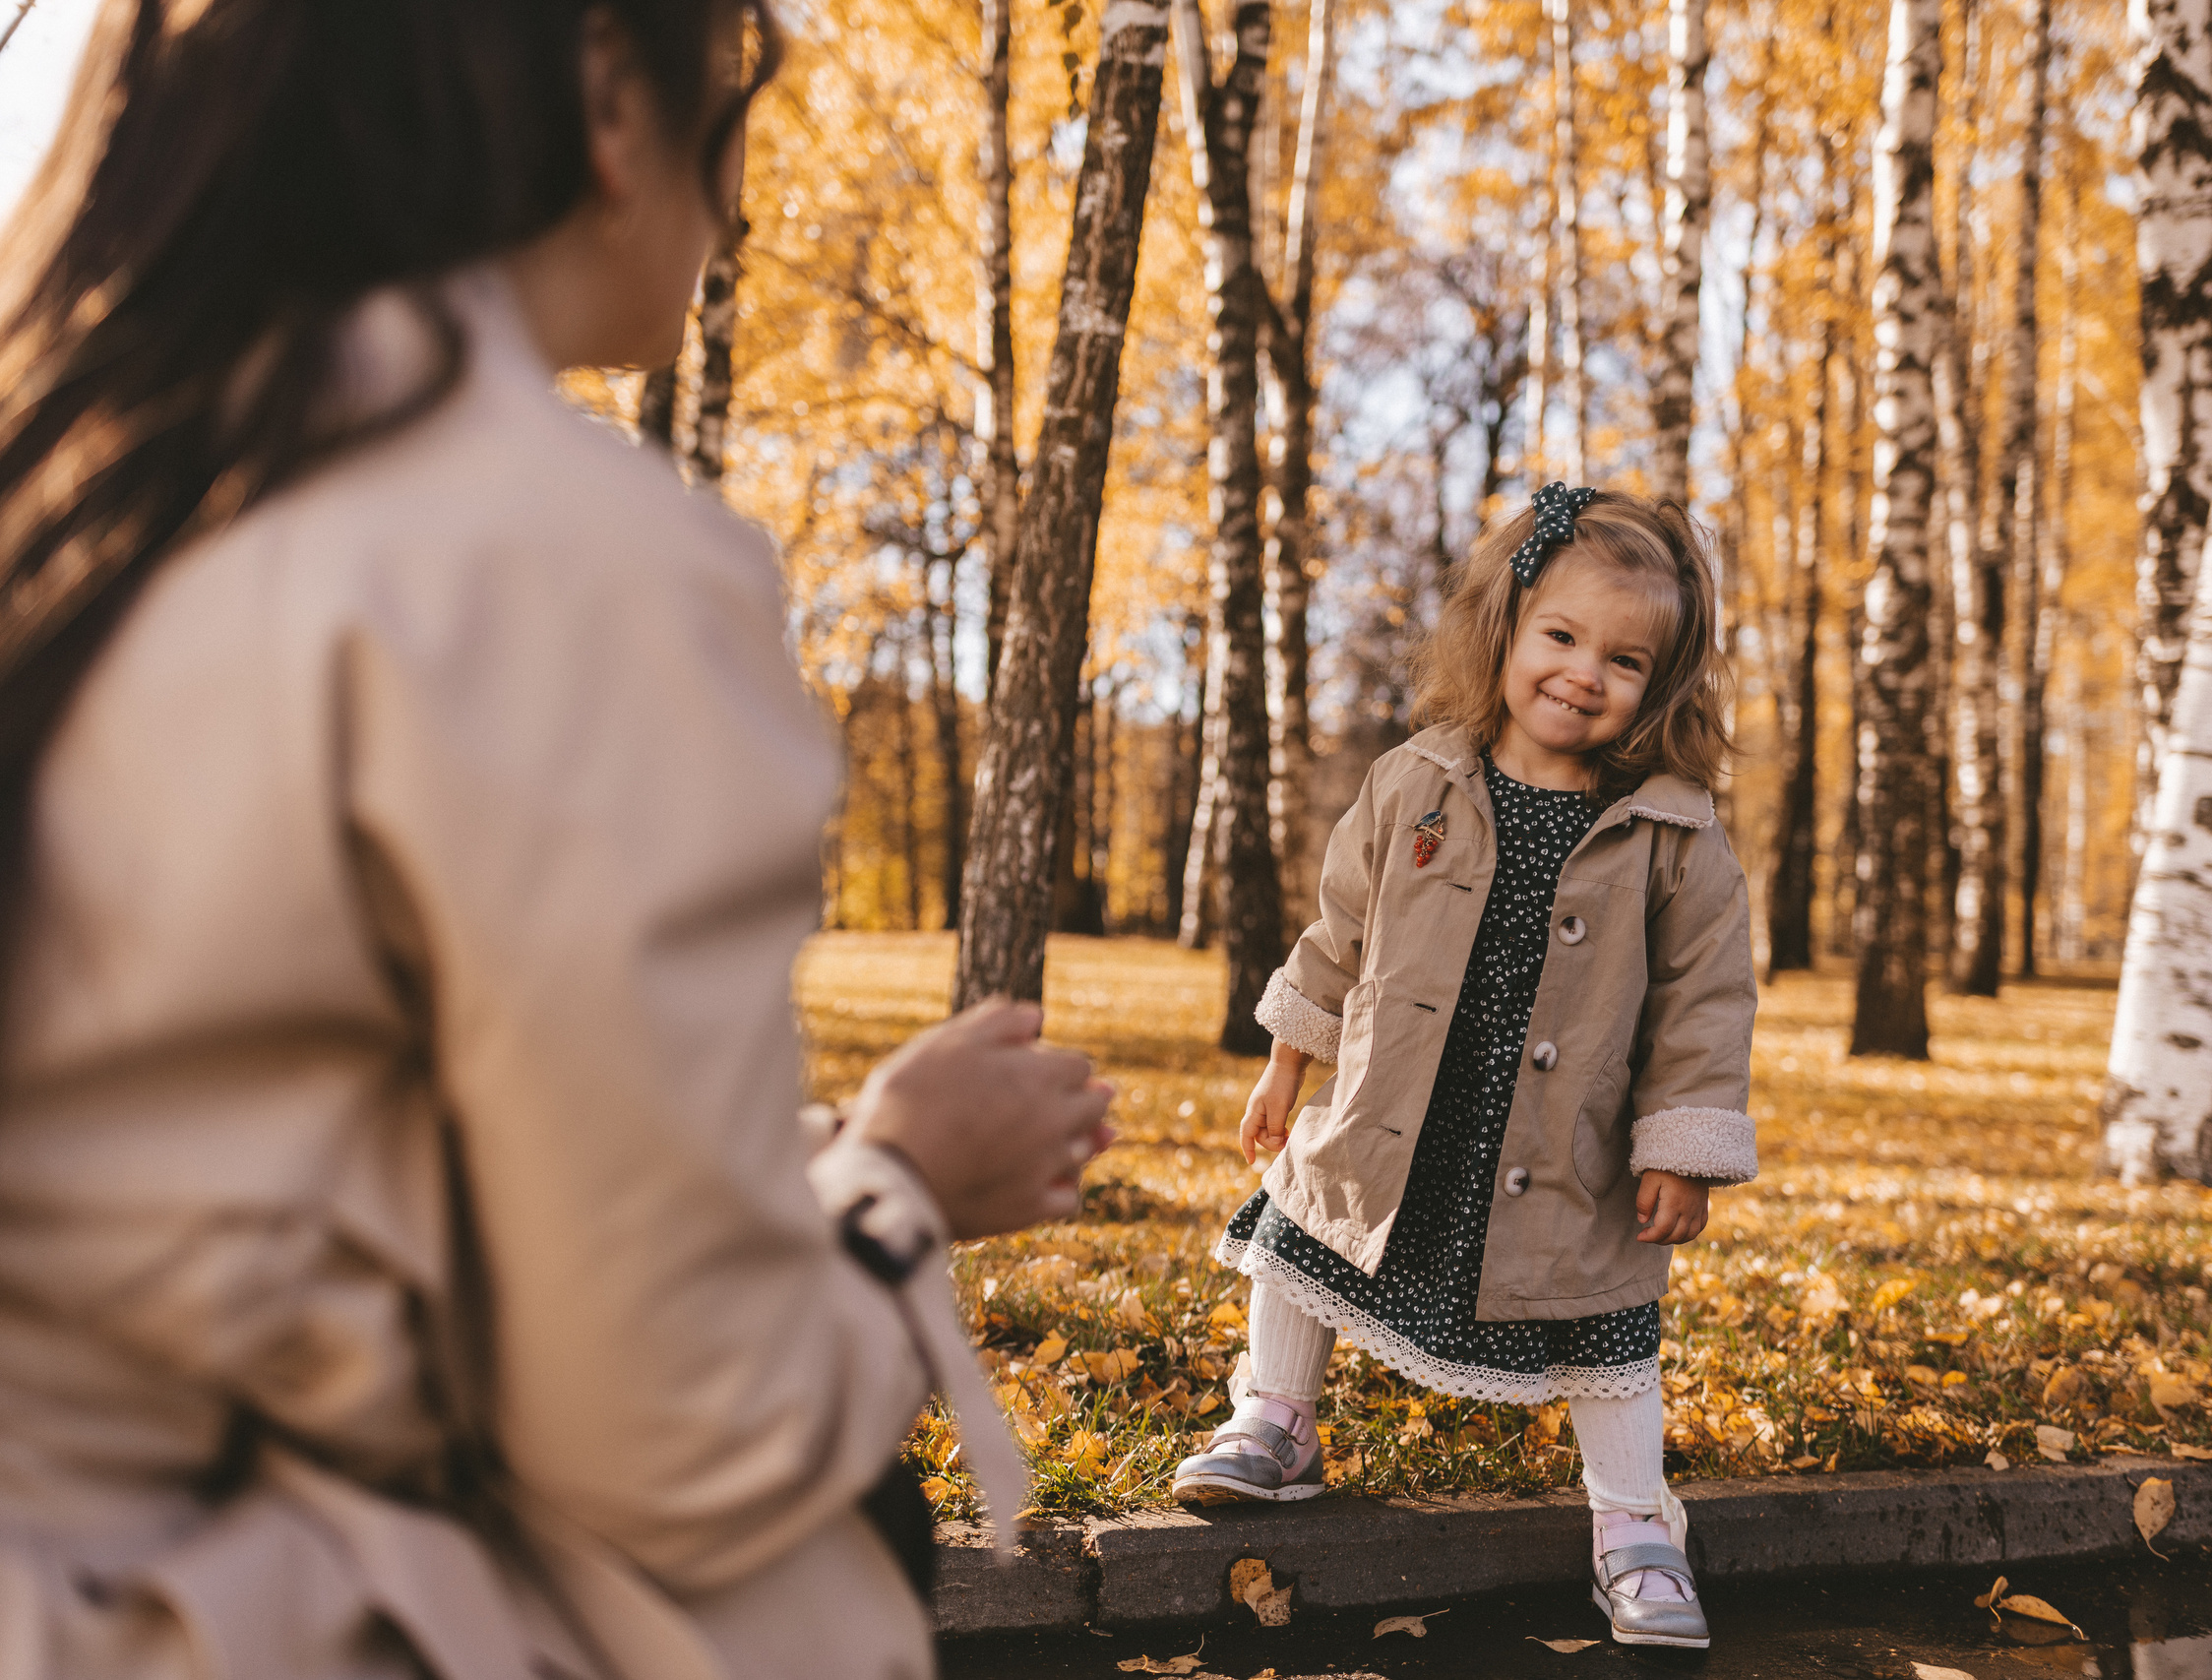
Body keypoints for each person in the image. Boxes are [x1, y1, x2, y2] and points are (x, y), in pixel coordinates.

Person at [0, 4, 1109, 1677]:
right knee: (823, 1566)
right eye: (739, 93)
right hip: (196, 1627)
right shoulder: (550, 558)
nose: (742, 191)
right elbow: (686, 1444)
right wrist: (893, 1191)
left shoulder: (85, 498)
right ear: (606, 86)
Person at [1169, 485, 1757, 1650]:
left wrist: (1681, 1150)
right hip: (1398, 1100)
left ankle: (1635, 1524)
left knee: (1602, 1319)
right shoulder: (1413, 782)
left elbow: (1705, 1003)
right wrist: (1289, 1060)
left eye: (1624, 660)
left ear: (1662, 683)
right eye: (1561, 637)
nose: (1585, 674)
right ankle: (1277, 1419)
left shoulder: (1672, 836)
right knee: (1304, 1238)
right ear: (1504, 628)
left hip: (1561, 1138)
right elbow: (1338, 933)